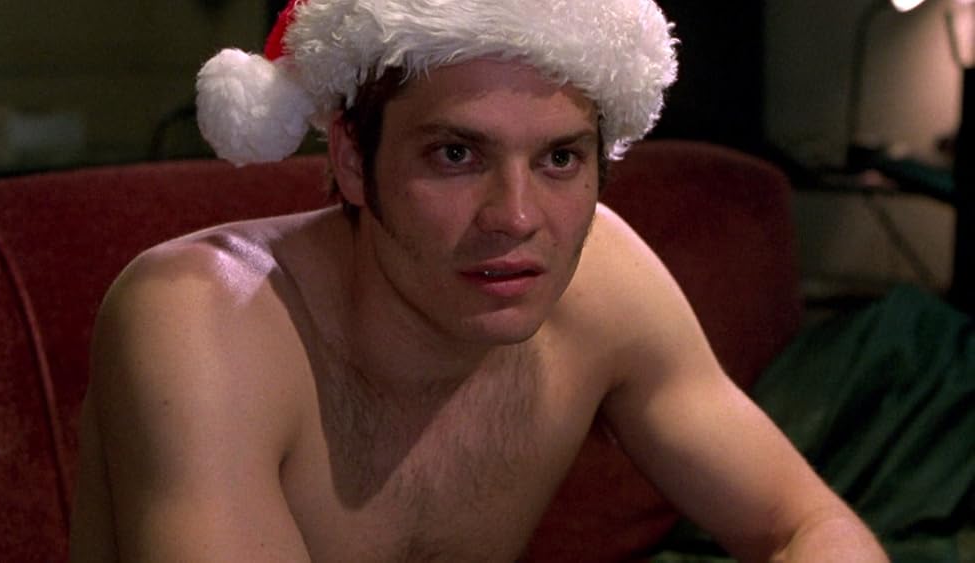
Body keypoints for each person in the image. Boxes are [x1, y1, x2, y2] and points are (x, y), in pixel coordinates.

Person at [69, 0, 888, 561]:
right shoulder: (204, 316)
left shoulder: (605, 276)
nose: (517, 216)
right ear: (351, 158)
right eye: (457, 154)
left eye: (560, 158)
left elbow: (809, 523)